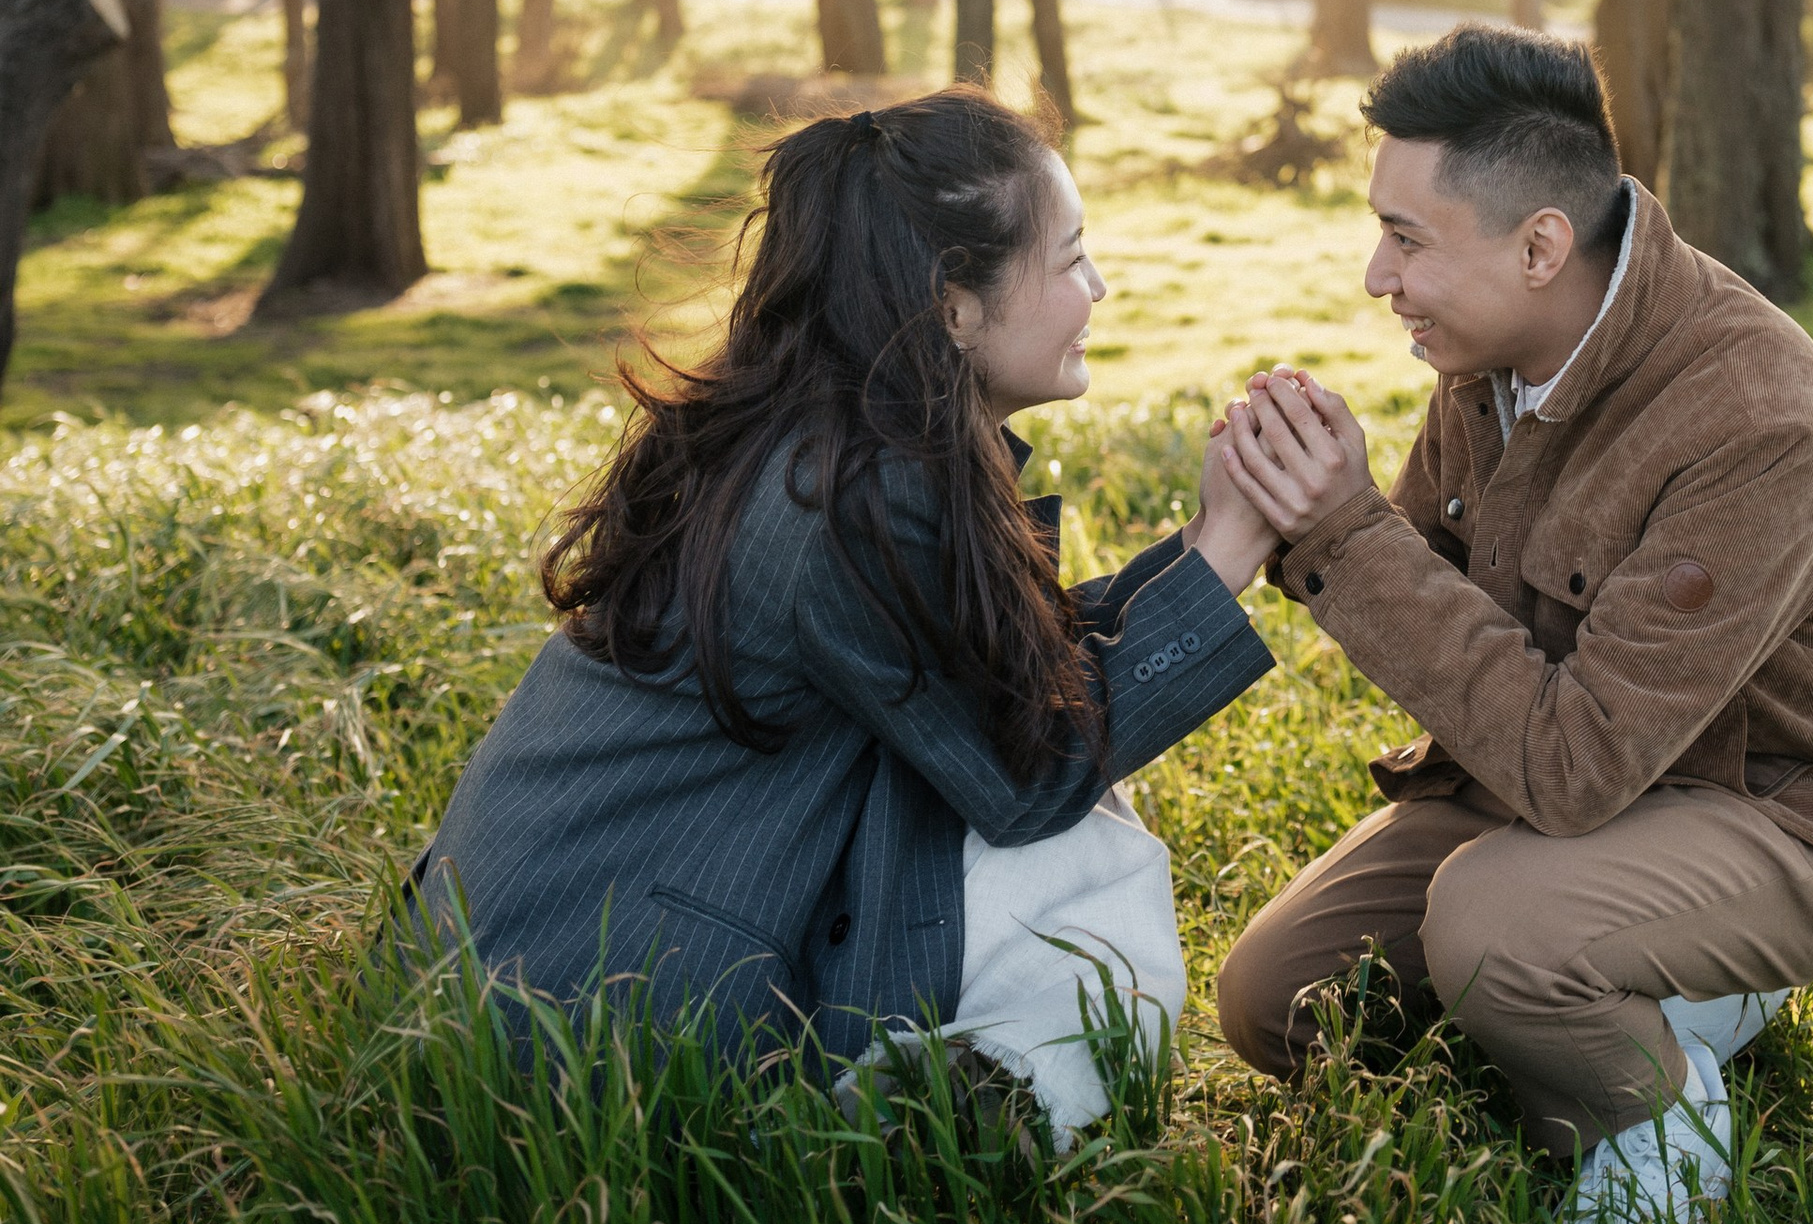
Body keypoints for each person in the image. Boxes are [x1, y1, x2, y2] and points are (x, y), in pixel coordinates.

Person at [1211, 25, 1813, 1224]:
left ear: (1541, 245)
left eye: (1405, 240)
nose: (1374, 278)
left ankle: (1664, 1107)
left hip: (1784, 814)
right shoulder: (1496, 350)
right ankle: (1613, 999)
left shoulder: (1753, 420)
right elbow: (1435, 593)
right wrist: (1301, 513)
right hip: (1560, 786)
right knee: (1276, 1003)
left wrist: (1343, 533)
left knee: (1498, 930)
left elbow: (1573, 769)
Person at [415, 90, 1276, 1142]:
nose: (1097, 288)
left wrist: (1202, 548)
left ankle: (991, 1084)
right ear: (953, 304)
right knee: (1088, 842)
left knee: (1084, 834)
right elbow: (1031, 764)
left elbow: (998, 680)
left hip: (536, 955)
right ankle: (970, 1112)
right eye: (1071, 258)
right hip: (589, 1021)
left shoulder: (824, 440)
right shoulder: (850, 497)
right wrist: (1229, 551)